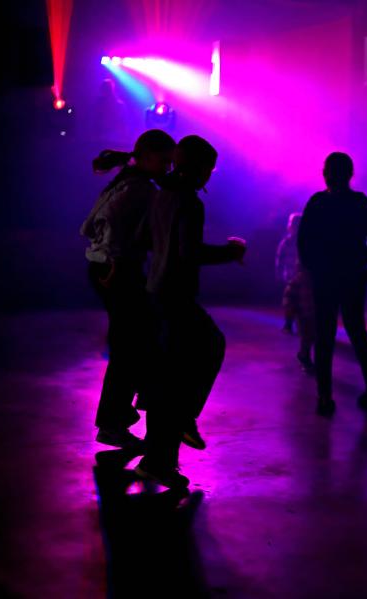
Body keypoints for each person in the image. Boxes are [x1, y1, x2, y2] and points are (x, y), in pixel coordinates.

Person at [135, 135, 247, 486]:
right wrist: (230, 252)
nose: (209, 176)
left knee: (166, 376)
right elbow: (189, 253)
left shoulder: (160, 195)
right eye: (209, 169)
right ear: (199, 168)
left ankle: (157, 459)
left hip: (154, 292)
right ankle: (179, 428)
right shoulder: (189, 202)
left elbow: (144, 239)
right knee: (206, 351)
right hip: (175, 297)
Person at [81, 129, 175, 450]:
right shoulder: (140, 188)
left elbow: (91, 224)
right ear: (146, 157)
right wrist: (116, 261)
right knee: (130, 347)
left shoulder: (126, 181)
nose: (167, 168)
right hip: (116, 270)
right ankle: (113, 422)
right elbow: (111, 224)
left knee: (130, 344)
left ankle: (116, 419)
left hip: (107, 267)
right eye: (163, 161)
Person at [298, 152, 367, 416]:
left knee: (325, 335)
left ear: (326, 173)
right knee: (357, 331)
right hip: (351, 278)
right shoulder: (359, 202)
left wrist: (314, 269)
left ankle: (324, 396)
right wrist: (359, 264)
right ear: (350, 174)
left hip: (325, 278)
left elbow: (303, 243)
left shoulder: (317, 202)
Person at [278, 213, 316, 372]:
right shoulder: (288, 242)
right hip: (294, 277)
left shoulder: (306, 242)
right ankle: (304, 354)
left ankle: (305, 354)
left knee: (309, 328)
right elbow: (280, 258)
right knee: (306, 328)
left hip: (302, 282)